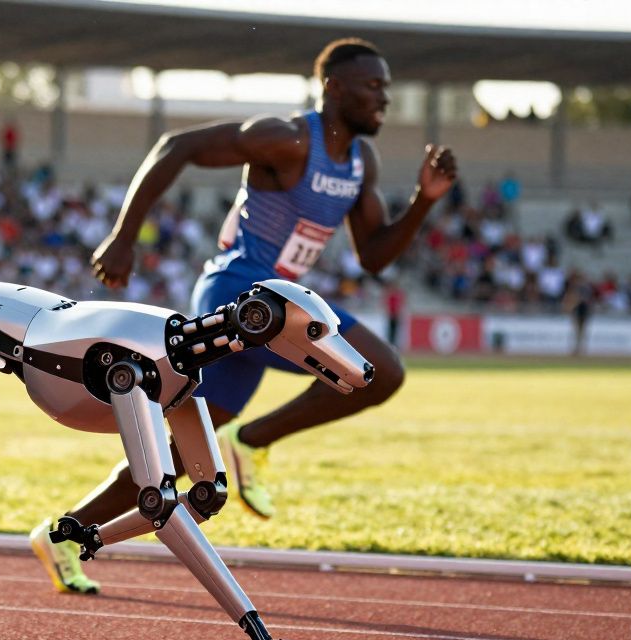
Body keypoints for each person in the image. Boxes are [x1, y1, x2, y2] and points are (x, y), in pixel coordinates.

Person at [29, 38, 457, 595]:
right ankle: (252, 440)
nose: (385, 98)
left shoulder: (360, 161)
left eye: (387, 87)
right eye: (373, 86)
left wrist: (424, 200)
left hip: (275, 310)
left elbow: (374, 255)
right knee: (380, 370)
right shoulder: (287, 140)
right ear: (333, 88)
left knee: (181, 454)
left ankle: (64, 532)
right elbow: (176, 144)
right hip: (240, 297)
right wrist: (123, 235)